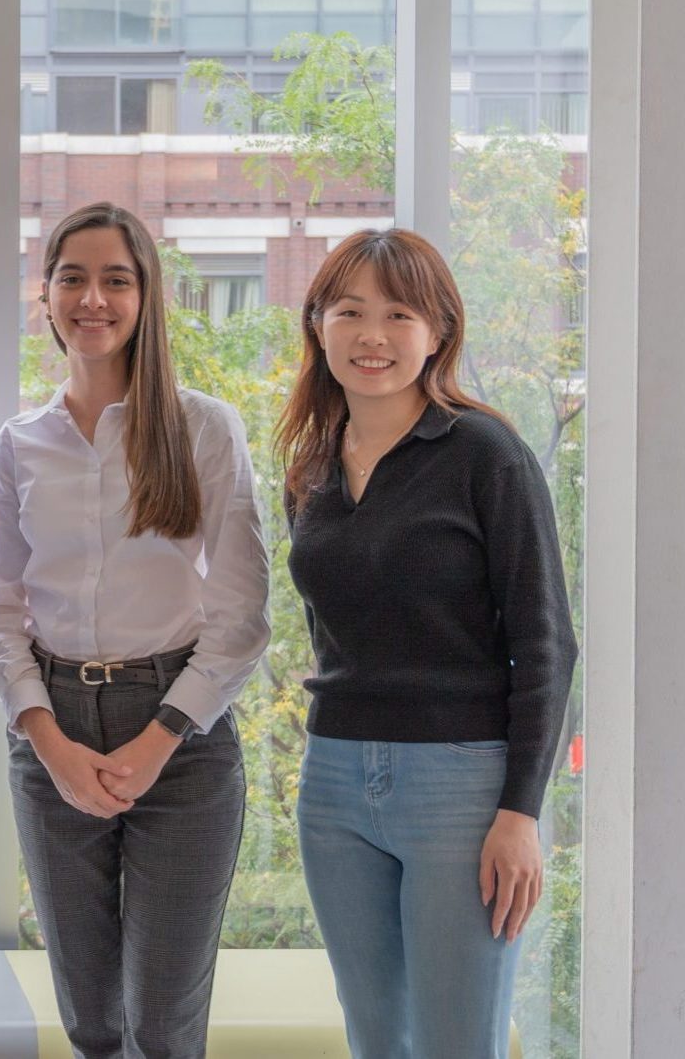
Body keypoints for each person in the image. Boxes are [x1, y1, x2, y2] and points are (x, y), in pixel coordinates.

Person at [0, 202, 270, 1058]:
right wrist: (48, 738)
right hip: (54, 725)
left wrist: (161, 736)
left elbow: (243, 613)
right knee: (93, 1016)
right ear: (47, 295)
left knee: (163, 1020)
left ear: (146, 297)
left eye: (116, 279)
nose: (92, 298)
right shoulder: (19, 443)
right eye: (73, 277)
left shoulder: (203, 427)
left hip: (179, 731)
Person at [281, 228, 577, 1059]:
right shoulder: (311, 466)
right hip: (333, 780)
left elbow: (547, 645)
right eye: (350, 311)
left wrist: (520, 810)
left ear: (438, 331)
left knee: (457, 1042)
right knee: (378, 1038)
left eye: (399, 313)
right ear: (319, 325)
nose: (372, 335)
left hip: (461, 784)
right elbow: (333, 628)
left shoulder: (486, 454)